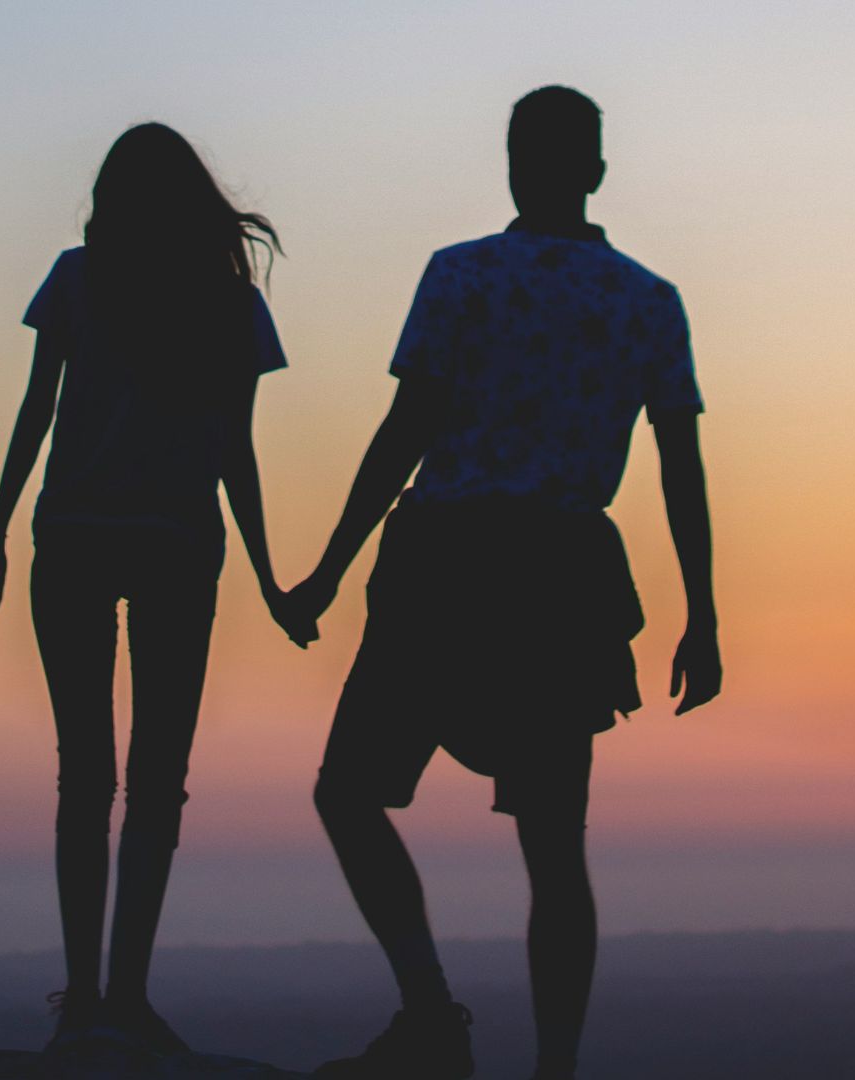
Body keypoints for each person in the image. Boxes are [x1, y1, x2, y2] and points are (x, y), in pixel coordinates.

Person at [285, 86, 724, 1080]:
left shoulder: (459, 277)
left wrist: (326, 570)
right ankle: (553, 1069)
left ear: (515, 167)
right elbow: (680, 469)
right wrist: (701, 616)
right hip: (559, 581)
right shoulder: (645, 300)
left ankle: (431, 1010)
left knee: (349, 793)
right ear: (597, 171)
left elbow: (406, 434)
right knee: (554, 849)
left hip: (443, 566)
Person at [0, 122, 311, 1056]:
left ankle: (88, 996)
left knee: (88, 775)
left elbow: (37, 412)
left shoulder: (80, 277)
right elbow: (234, 453)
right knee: (156, 783)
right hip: (175, 547)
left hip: (74, 538)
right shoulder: (227, 303)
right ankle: (122, 994)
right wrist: (273, 582)